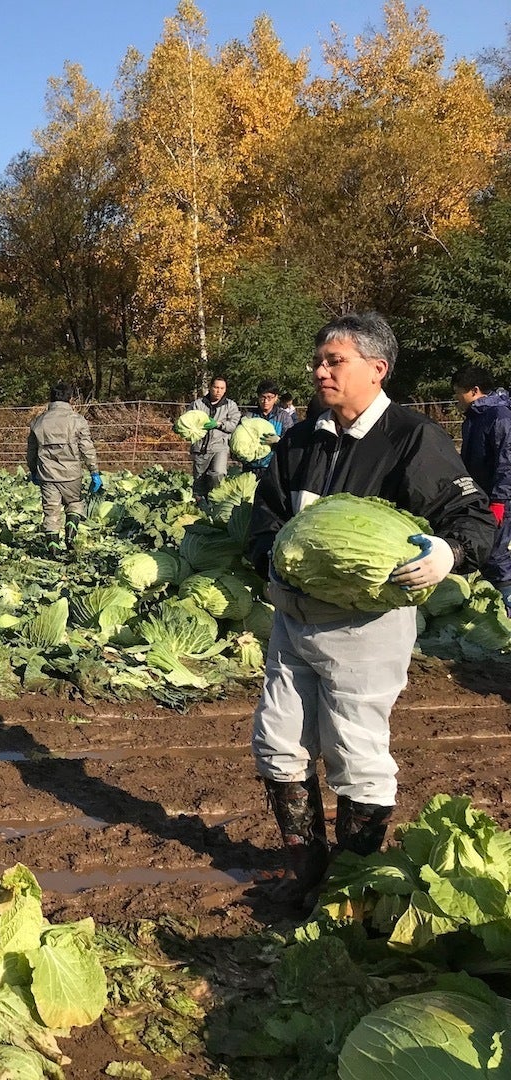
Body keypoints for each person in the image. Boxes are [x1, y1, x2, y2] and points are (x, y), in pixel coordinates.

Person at [247, 313, 493, 906]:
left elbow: (473, 517)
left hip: (365, 628)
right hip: (294, 619)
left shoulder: (412, 438)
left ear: (377, 369)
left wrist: (449, 552)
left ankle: (351, 888)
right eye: (318, 361)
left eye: (335, 361)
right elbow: (266, 518)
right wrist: (270, 558)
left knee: (356, 753)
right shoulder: (300, 439)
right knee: (277, 744)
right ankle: (308, 874)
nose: (320, 371)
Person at [451, 364, 511, 613]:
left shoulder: (500, 416)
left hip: (499, 498)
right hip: (481, 495)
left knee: (496, 553)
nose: (457, 399)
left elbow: (507, 462)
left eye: (459, 393)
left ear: (474, 391)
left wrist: (499, 501)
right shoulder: (474, 418)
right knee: (481, 550)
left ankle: (507, 606)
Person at [25, 382, 100, 546]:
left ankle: (53, 548)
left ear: (51, 398)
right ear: (70, 399)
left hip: (47, 475)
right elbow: (87, 448)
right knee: (74, 503)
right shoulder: (77, 420)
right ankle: (71, 532)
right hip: (71, 474)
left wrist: (33, 470)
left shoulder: (38, 422)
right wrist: (94, 471)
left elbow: (31, 451)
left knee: (51, 512)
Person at [188, 376, 240, 502]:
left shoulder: (230, 405)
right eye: (216, 387)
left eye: (222, 388)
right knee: (199, 482)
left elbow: (233, 424)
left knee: (218, 473)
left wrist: (218, 424)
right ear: (210, 387)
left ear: (225, 390)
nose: (218, 391)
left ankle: (216, 502)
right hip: (200, 447)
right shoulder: (198, 404)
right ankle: (201, 508)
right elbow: (188, 420)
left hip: (220, 446)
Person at [243, 379, 285, 477]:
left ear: (276, 398)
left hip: (274, 467)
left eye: (269, 397)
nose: (266, 401)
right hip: (251, 467)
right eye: (263, 397)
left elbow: (291, 440)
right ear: (258, 397)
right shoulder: (249, 416)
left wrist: (279, 440)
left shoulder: (284, 417)